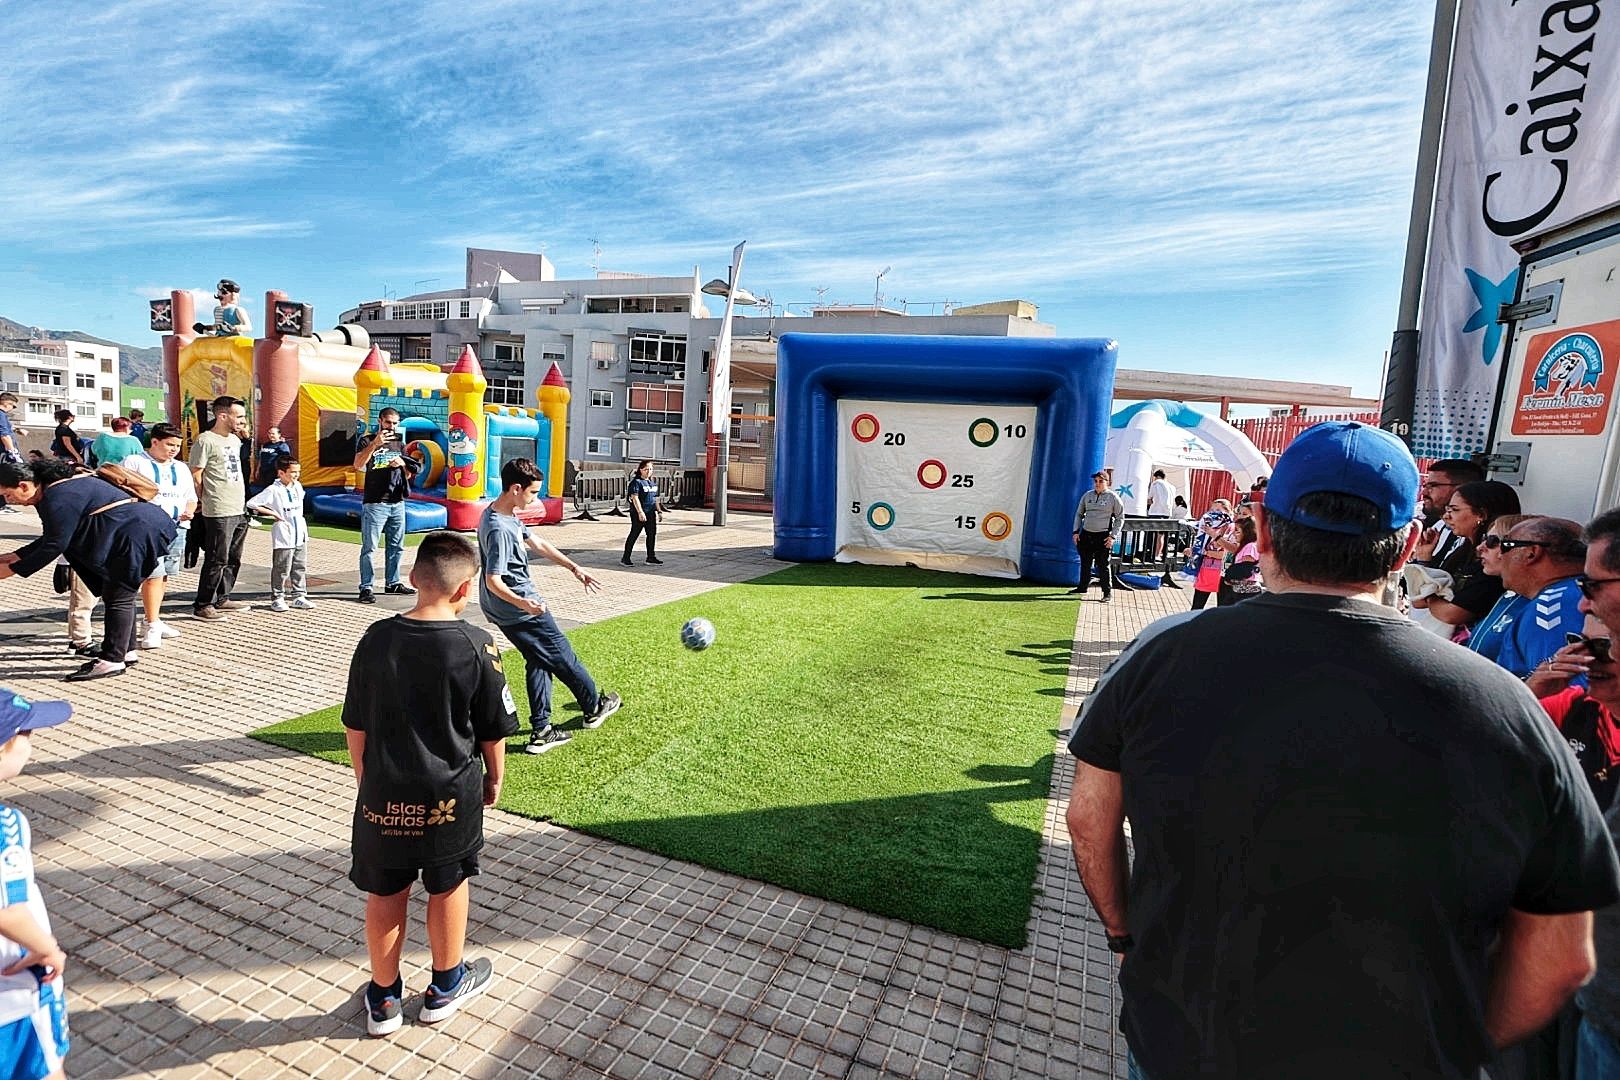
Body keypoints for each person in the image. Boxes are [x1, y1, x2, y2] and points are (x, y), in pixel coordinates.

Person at [1065, 420, 1620, 1079]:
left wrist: (1123, 936)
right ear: (1406, 544)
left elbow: (1087, 817)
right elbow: (1562, 955)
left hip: (1184, 1040)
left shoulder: (1158, 655)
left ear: (1265, 532)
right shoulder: (1507, 705)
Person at [341, 532, 518, 1036]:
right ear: (465, 591)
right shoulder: (477, 643)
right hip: (451, 796)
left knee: (385, 889)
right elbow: (491, 730)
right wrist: (495, 779)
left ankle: (383, 998)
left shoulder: (375, 638)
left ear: (415, 578)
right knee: (448, 884)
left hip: (383, 795)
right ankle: (444, 986)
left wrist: (364, 779)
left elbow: (356, 723)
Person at [479, 458, 621, 754]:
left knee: (538, 660)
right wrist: (524, 604)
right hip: (520, 610)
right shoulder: (498, 528)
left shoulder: (503, 513)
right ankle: (594, 707)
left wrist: (574, 567)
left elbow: (539, 544)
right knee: (564, 658)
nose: (535, 498)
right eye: (532, 493)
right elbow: (494, 579)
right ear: (516, 489)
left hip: (505, 609)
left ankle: (542, 730)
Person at [0, 459, 176, 681]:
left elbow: (56, 544)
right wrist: (15, 556)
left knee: (118, 596)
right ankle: (125, 651)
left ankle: (112, 660)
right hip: (138, 529)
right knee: (119, 596)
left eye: (7, 494)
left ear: (24, 485)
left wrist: (15, 569)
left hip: (133, 535)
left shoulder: (57, 497)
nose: (8, 500)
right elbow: (54, 536)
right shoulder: (62, 487)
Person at [0, 688, 75, 1080]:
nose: (30, 744)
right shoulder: (5, 824)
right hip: (15, 983)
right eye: (25, 735)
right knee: (45, 1068)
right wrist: (46, 948)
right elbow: (6, 909)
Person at [1409, 479, 1520, 639]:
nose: (1446, 517)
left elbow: (1451, 613)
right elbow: (1418, 600)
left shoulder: (1493, 566)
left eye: (1454, 510)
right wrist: (1424, 558)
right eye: (1447, 509)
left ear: (1481, 515)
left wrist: (1430, 596)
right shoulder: (1461, 551)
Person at [122, 423, 196, 648]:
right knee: (153, 573)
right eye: (169, 445)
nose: (173, 450)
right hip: (148, 528)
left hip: (177, 527)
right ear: (154, 442)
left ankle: (153, 617)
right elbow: (123, 490)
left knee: (165, 574)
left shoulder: (181, 468)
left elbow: (190, 496)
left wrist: (190, 511)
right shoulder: (135, 462)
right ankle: (151, 625)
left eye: (177, 446)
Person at [1494, 517, 1589, 680]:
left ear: (1532, 553)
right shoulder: (1591, 592)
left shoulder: (1551, 608)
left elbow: (1559, 693)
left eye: (1505, 545)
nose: (1499, 555)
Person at [188, 395, 250, 621]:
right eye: (239, 416)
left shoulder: (234, 440)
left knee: (234, 556)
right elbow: (196, 473)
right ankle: (203, 604)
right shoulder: (206, 440)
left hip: (238, 506)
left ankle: (222, 597)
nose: (243, 420)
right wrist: (200, 500)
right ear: (223, 415)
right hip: (218, 507)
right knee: (217, 557)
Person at [354, 407, 421, 603]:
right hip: (375, 502)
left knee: (396, 546)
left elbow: (408, 473)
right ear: (380, 421)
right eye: (388, 422)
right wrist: (374, 444)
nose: (391, 426)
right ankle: (366, 586)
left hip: (397, 501)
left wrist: (401, 463)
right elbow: (358, 464)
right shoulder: (366, 440)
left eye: (395, 423)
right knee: (370, 547)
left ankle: (392, 582)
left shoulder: (399, 443)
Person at [1466, 514, 1537, 665]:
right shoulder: (1509, 594)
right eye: (1484, 538)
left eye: (1492, 542)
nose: (1480, 548)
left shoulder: (1537, 605)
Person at [245, 457, 312, 612]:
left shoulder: (297, 486)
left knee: (299, 565)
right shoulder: (273, 490)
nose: (296, 475)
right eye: (293, 472)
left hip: (299, 531)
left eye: (298, 472)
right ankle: (277, 597)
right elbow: (252, 503)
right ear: (281, 473)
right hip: (284, 532)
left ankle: (299, 595)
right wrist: (273, 513)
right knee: (282, 567)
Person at [1070, 470, 1123, 601]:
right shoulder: (1087, 496)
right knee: (1085, 563)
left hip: (1103, 536)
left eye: (1101, 481)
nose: (1097, 484)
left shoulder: (1113, 498)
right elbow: (1079, 514)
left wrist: (1112, 537)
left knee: (1103, 565)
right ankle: (1082, 587)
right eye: (1096, 481)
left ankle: (1107, 593)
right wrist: (1076, 532)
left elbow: (1120, 518)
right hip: (1086, 535)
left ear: (1107, 483)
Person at [1188, 497, 1233, 610]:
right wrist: (1193, 551)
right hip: (1206, 569)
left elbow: (1227, 554)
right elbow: (1200, 545)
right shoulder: (1207, 526)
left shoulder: (1231, 528)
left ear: (1227, 511)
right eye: (1212, 510)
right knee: (1197, 606)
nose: (1214, 513)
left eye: (1218, 510)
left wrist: (1206, 552)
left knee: (1222, 608)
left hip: (1222, 573)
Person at [621, 459, 663, 566]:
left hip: (650, 513)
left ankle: (651, 557)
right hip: (638, 513)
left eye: (650, 469)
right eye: (646, 469)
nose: (648, 471)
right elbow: (635, 498)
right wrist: (640, 512)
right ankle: (626, 558)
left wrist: (659, 511)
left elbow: (655, 499)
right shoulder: (636, 482)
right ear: (640, 470)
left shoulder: (652, 483)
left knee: (651, 535)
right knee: (634, 534)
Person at [1215, 514, 1261, 604]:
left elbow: (1245, 569)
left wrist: (1229, 576)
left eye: (1237, 531)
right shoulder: (1245, 546)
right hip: (1239, 590)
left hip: (1246, 592)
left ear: (1246, 532)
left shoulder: (1250, 546)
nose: (1235, 534)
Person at [0, 392, 23, 514]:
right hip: (3, 452)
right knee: (4, 477)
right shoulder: (1, 414)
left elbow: (8, 428)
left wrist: (18, 430)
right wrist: (13, 452)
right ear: (7, 403)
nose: (12, 409)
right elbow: (4, 434)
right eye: (13, 406)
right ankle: (1, 505)